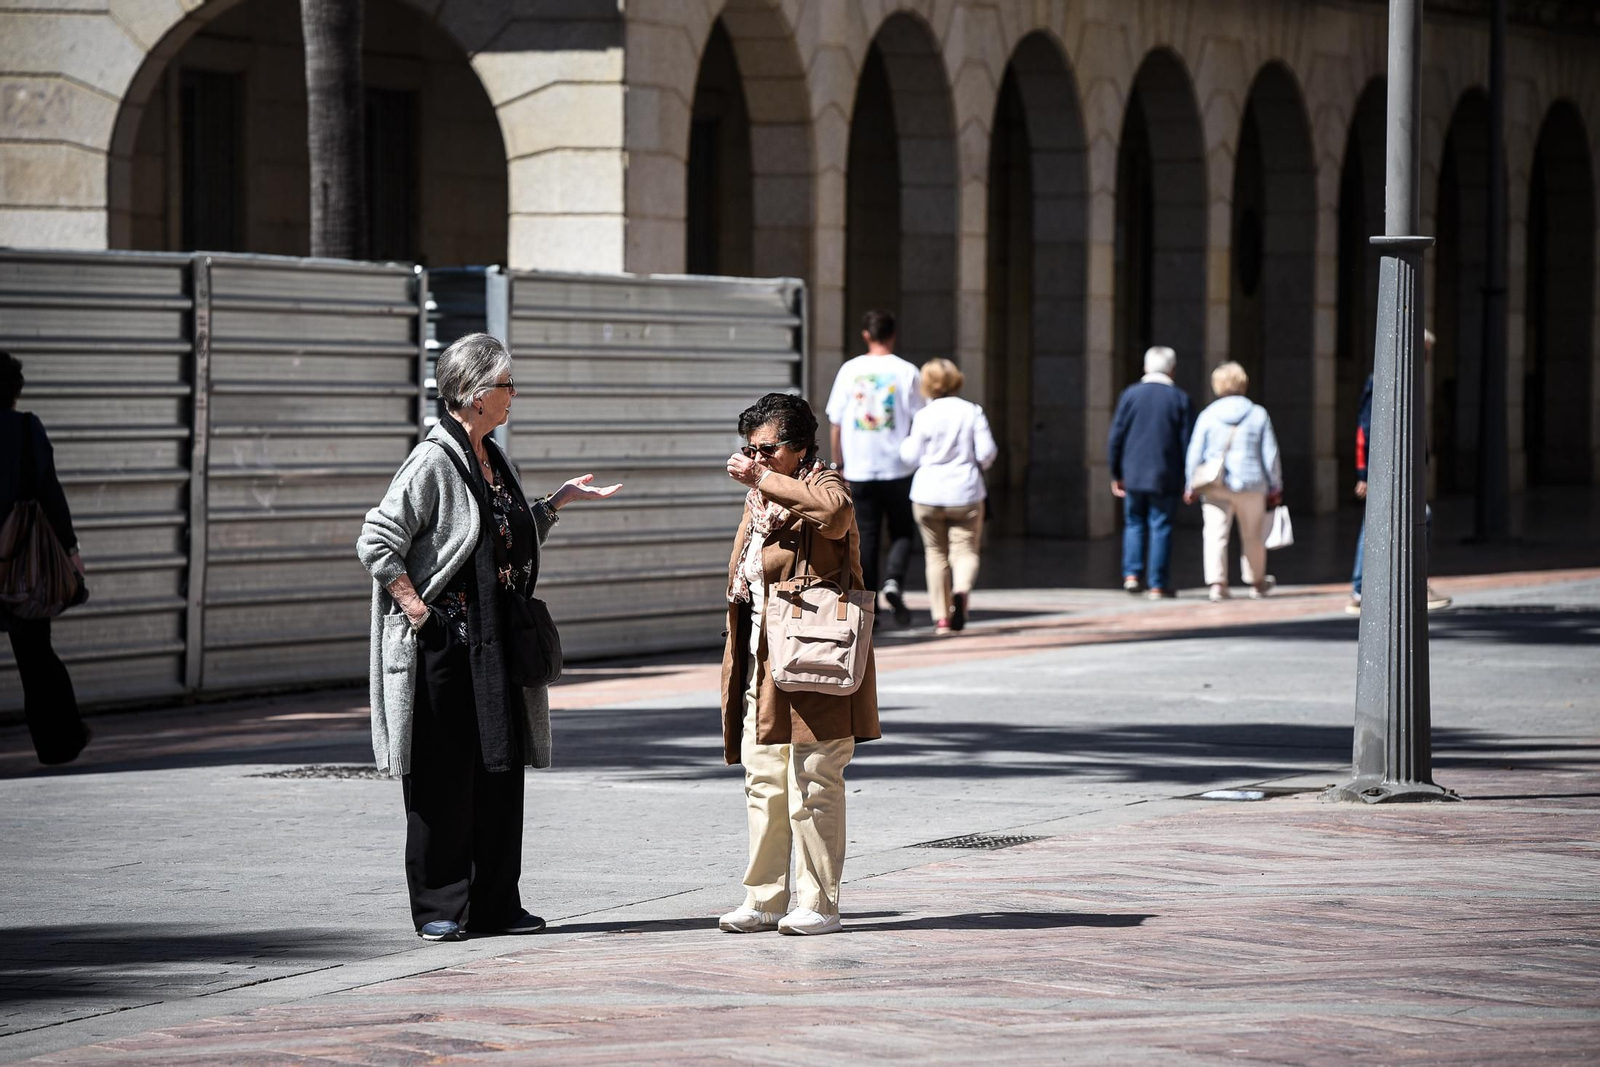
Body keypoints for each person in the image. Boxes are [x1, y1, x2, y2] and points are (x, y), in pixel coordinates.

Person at [357, 333, 621, 943]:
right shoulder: (431, 462)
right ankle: (441, 906)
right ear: (474, 396)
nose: (513, 395)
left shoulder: (492, 455)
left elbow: (502, 538)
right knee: (443, 776)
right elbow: (377, 540)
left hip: (496, 642)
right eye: (506, 385)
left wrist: (555, 504)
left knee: (499, 772)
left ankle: (497, 902)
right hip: (446, 646)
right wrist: (419, 613)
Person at [720, 392, 880, 936]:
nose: (756, 459)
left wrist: (761, 480)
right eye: (750, 449)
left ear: (799, 447)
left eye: (766, 450)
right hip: (764, 658)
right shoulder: (761, 499)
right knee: (763, 779)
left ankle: (819, 901)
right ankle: (764, 898)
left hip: (816, 658)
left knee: (814, 778)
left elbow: (834, 517)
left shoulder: (824, 485)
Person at [0, 352, 90, 765]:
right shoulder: (25, 428)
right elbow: (50, 493)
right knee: (36, 656)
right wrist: (70, 550)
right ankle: (59, 744)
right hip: (21, 560)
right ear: (15, 392)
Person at [826, 309, 924, 625]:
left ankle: (869, 606)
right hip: (899, 466)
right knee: (902, 531)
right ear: (893, 334)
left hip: (858, 467)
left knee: (865, 535)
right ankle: (893, 581)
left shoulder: (850, 370)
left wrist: (838, 463)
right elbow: (918, 419)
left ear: (866, 335)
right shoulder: (907, 371)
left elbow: (836, 421)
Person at [1347, 329, 1452, 615]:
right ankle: (1383, 585)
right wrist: (1364, 474)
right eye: (1426, 352)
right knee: (1404, 519)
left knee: (1394, 520)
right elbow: (1365, 431)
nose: (1428, 359)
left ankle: (1391, 584)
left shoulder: (1407, 380)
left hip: (1401, 469)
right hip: (1386, 470)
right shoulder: (1383, 380)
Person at [898, 358, 997, 634]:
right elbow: (987, 453)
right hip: (965, 491)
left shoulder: (924, 415)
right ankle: (961, 590)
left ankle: (941, 618)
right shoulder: (972, 411)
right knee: (965, 550)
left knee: (935, 554)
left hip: (927, 493)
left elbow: (909, 455)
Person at [1184, 361, 1283, 602]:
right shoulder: (1257, 413)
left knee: (1215, 535)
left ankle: (1218, 584)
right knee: (1253, 536)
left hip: (1215, 485)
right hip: (1252, 484)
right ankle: (1257, 583)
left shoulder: (1208, 415)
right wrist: (1275, 484)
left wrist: (1190, 483)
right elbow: (1269, 454)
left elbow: (1195, 452)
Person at [1107, 345, 1193, 599]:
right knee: (1161, 525)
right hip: (1165, 474)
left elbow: (1116, 437)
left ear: (1145, 367)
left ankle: (1132, 575)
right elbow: (1188, 443)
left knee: (1133, 523)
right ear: (1173, 370)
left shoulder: (1130, 395)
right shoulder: (1180, 398)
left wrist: (1116, 472)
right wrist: (1190, 479)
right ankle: (1158, 584)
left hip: (1132, 474)